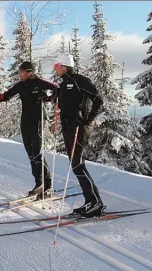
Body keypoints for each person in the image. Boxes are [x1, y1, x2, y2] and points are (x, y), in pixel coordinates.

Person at [0, 61, 59, 200]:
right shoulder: (20, 86)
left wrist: (48, 98)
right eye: (19, 72)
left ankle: (47, 186)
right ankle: (39, 184)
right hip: (25, 121)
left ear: (29, 72)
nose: (19, 74)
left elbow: (58, 88)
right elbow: (5, 96)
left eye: (22, 72)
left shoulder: (39, 82)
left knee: (38, 153)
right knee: (31, 154)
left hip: (38, 120)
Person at [51, 53, 105, 218]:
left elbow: (98, 99)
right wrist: (51, 98)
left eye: (57, 65)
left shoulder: (79, 80)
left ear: (64, 66)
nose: (55, 68)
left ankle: (95, 204)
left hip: (78, 128)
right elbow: (62, 102)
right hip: (68, 128)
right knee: (75, 165)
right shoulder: (64, 83)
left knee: (77, 165)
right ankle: (91, 202)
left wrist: (88, 120)